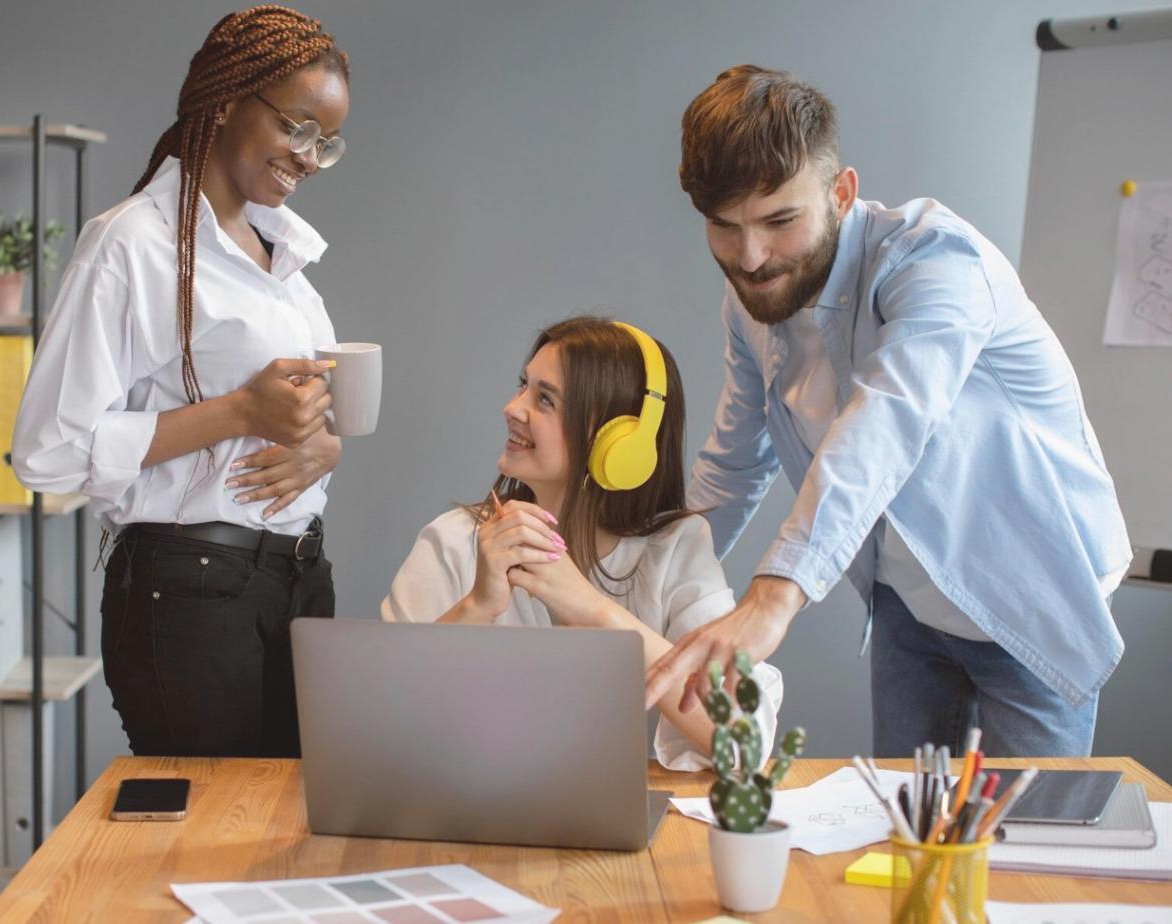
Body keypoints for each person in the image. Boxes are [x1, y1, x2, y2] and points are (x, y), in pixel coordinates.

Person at [645, 66, 1131, 758]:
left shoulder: (937, 261)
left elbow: (885, 422)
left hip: (1032, 585)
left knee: (1028, 847)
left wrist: (772, 596)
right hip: (907, 595)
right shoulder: (750, 303)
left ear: (840, 193)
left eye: (779, 220)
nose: (750, 258)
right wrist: (644, 582)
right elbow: (731, 464)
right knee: (905, 832)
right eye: (724, 228)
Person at [11, 5, 352, 758]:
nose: (307, 156)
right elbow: (46, 453)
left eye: (325, 143)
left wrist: (322, 447)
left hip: (296, 579)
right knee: (209, 830)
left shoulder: (282, 255)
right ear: (226, 100)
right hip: (190, 586)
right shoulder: (134, 243)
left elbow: (299, 412)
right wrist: (236, 412)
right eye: (296, 128)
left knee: (290, 828)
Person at [383, 316, 783, 769]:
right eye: (523, 386)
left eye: (545, 399)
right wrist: (476, 605)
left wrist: (593, 609)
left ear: (620, 444)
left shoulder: (678, 548)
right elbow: (377, 723)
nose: (512, 408)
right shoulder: (453, 541)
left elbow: (744, 740)